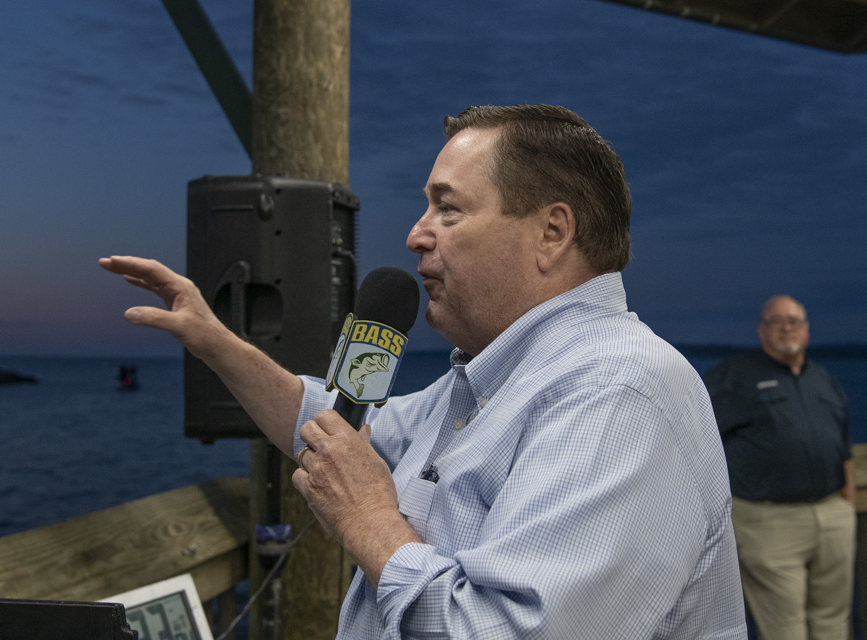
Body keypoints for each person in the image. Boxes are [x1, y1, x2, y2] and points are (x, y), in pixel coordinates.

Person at [100, 104, 746, 639]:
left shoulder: (616, 394)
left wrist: (371, 523)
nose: (415, 234)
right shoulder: (485, 384)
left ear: (552, 233)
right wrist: (216, 341)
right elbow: (336, 434)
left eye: (448, 208)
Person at [704, 295, 855, 640]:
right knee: (785, 629)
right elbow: (699, 438)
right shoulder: (735, 376)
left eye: (794, 321)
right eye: (777, 321)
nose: (787, 327)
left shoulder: (824, 380)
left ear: (806, 329)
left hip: (833, 516)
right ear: (762, 330)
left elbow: (842, 449)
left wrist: (845, 505)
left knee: (834, 619)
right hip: (768, 523)